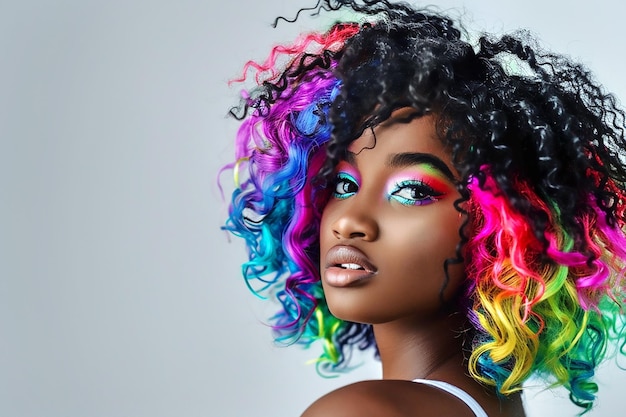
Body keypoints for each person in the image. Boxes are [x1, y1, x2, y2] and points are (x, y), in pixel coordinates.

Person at [221, 1, 626, 415]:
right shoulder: (495, 406)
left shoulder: (362, 411)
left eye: (412, 191)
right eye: (345, 184)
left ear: (503, 232)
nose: (350, 221)